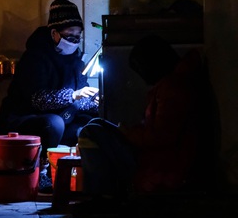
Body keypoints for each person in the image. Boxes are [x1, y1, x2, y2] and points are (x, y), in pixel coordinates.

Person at [78, 34, 212, 204]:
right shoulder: (172, 85)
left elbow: (160, 137)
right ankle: (101, 193)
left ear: (155, 63)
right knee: (96, 125)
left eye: (142, 69)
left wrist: (127, 133)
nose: (143, 76)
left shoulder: (174, 89)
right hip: (156, 156)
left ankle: (103, 195)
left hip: (163, 166)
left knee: (91, 131)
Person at [0, 0, 99, 192]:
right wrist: (73, 96)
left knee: (90, 124)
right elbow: (37, 100)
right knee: (54, 124)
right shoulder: (35, 58)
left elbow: (80, 99)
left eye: (78, 35)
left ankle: (80, 174)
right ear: (54, 33)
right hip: (26, 118)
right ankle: (41, 172)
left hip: (62, 118)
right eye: (70, 34)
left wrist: (94, 101)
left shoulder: (76, 60)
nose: (75, 40)